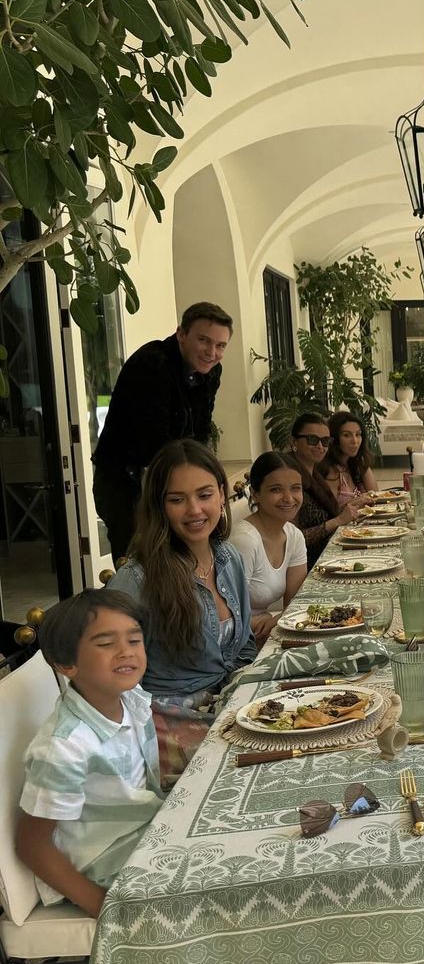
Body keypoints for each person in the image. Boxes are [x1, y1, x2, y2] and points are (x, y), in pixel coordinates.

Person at [16, 589, 163, 918]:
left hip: (147, 832)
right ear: (67, 664)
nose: (126, 652)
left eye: (134, 640)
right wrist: (103, 906)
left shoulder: (130, 698)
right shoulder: (64, 748)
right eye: (106, 644)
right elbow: (31, 844)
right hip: (108, 865)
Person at [107, 439, 255, 707]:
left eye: (205, 495)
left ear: (221, 494)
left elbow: (245, 647)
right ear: (159, 506)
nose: (194, 510)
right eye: (177, 499)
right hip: (171, 726)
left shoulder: (229, 558)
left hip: (231, 707)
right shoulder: (136, 581)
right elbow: (112, 680)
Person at [93, 302, 234, 562]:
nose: (212, 352)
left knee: (182, 559)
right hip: (126, 483)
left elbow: (200, 430)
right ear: (181, 334)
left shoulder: (211, 370)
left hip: (168, 476)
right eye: (203, 340)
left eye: (220, 345)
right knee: (140, 565)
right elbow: (156, 444)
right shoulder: (153, 363)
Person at [230, 452, 308, 645]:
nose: (289, 498)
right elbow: (224, 616)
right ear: (255, 494)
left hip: (267, 628)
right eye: (276, 490)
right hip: (240, 638)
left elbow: (295, 604)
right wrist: (271, 620)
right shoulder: (244, 541)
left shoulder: (294, 535)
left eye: (295, 489)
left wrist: (278, 619)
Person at [290, 413, 360, 569]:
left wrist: (355, 503)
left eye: (325, 441)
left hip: (331, 554)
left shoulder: (314, 474)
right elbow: (291, 538)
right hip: (308, 565)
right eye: (312, 440)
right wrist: (338, 521)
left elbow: (327, 515)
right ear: (294, 442)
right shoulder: (289, 479)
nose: (320, 447)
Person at [318, 411, 379, 507]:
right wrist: (358, 501)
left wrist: (362, 463)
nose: (355, 441)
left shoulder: (355, 465)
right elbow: (331, 511)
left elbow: (376, 495)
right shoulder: (331, 470)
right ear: (334, 438)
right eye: (346, 435)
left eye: (358, 435)